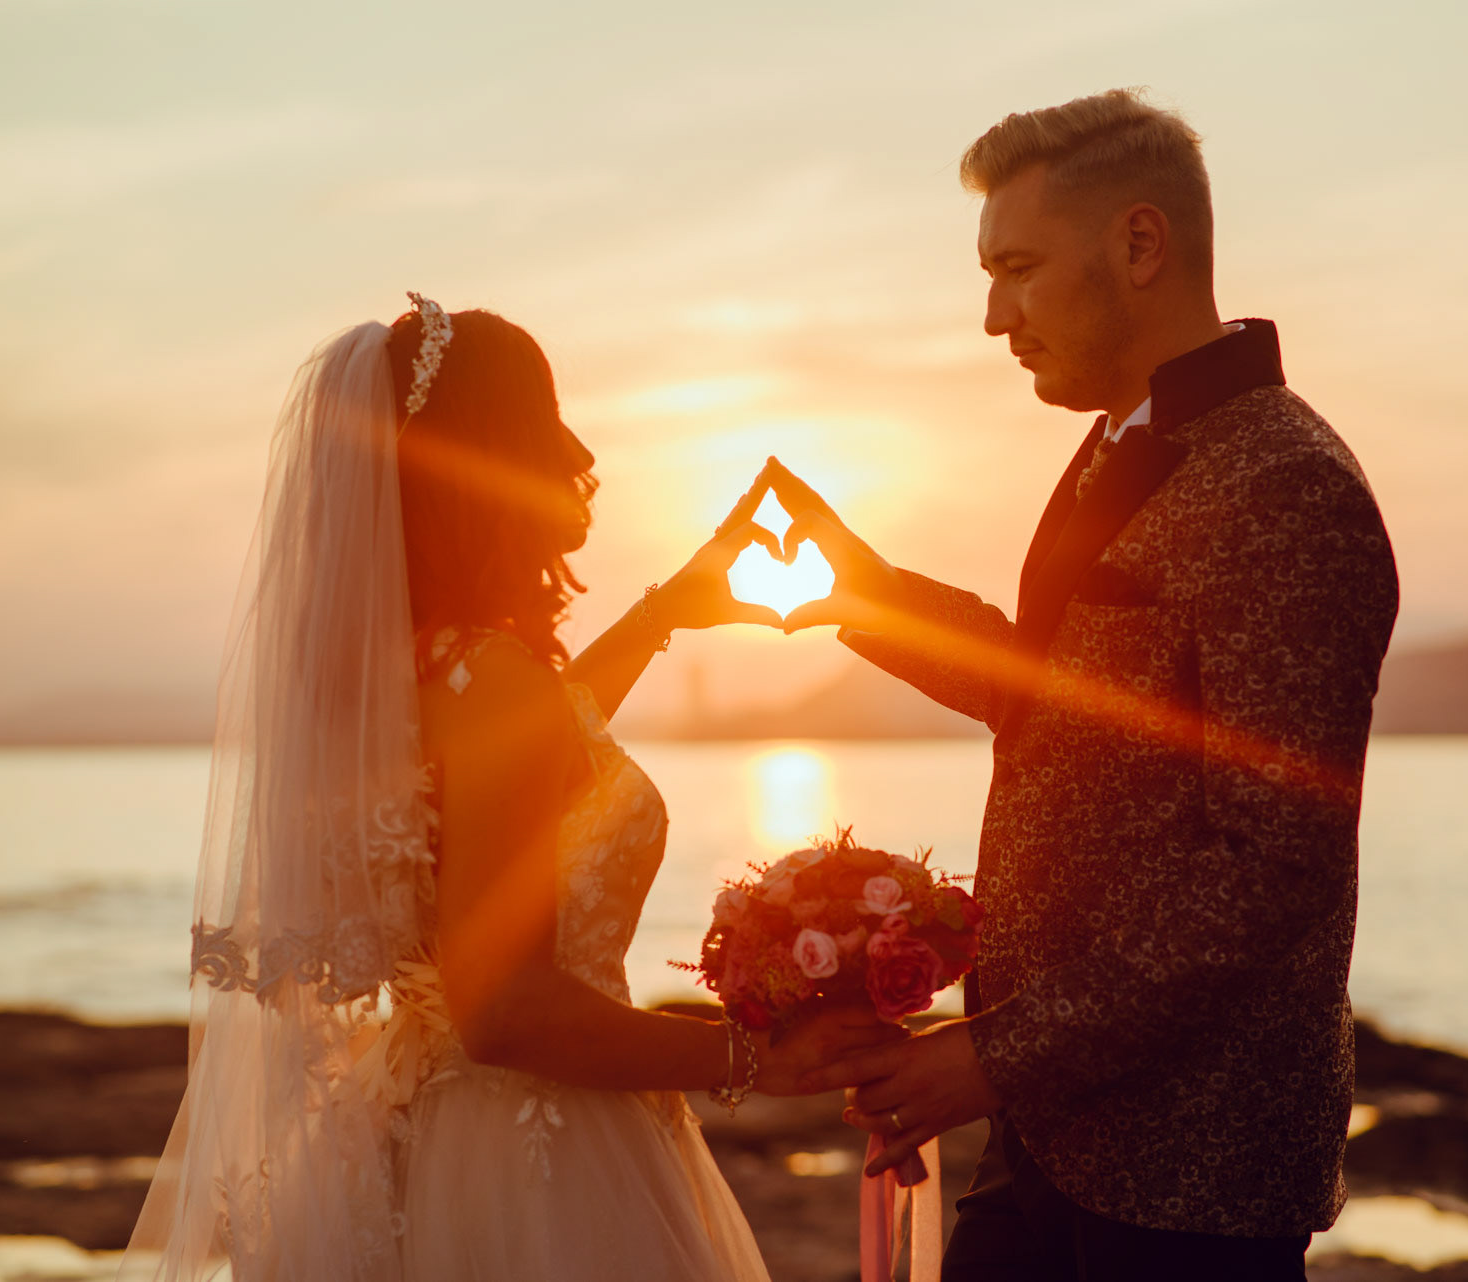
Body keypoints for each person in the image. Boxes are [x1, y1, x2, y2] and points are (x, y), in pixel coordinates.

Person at [119, 296, 892, 1281]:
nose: (577, 450)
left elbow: (544, 754)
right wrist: (751, 1057)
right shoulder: (488, 682)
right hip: (546, 1164)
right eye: (546, 419)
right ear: (490, 457)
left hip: (431, 1128)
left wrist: (668, 610)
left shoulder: (426, 670)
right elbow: (505, 1012)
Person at [762, 90, 1402, 1280]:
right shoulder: (1119, 444)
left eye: (1017, 268)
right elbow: (1061, 698)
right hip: (1050, 1140)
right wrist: (866, 593)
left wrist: (992, 1057)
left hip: (1187, 1184)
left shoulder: (1288, 489)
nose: (994, 315)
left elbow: (1273, 867)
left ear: (1140, 245)